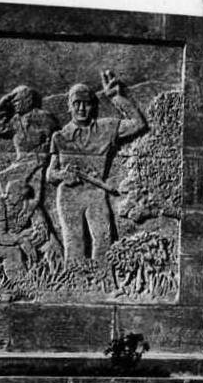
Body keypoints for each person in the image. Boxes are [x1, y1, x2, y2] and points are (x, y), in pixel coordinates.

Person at [47, 71, 145, 263]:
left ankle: (102, 283)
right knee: (74, 244)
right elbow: (50, 174)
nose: (82, 108)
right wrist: (61, 175)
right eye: (77, 103)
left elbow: (138, 124)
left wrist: (116, 98)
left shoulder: (106, 128)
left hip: (96, 193)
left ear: (93, 106)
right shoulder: (59, 136)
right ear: (69, 106)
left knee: (103, 240)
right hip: (69, 196)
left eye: (86, 103)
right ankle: (75, 286)